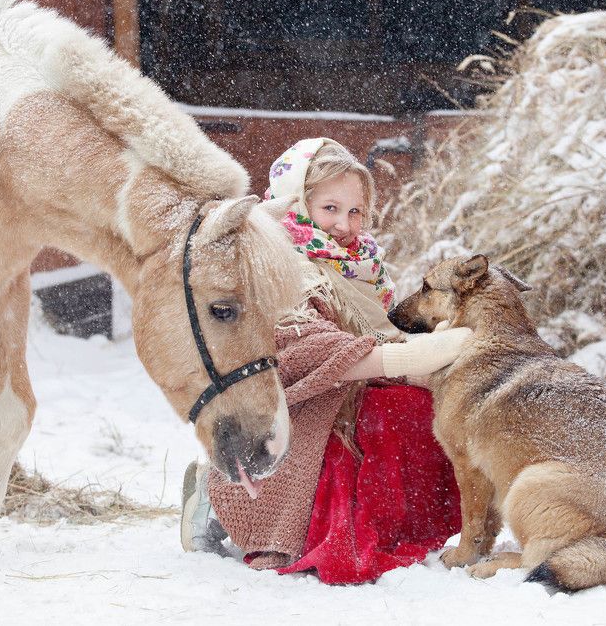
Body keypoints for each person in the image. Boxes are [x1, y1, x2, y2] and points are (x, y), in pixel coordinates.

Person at [181, 138, 469, 584]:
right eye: (330, 208)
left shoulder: (363, 266)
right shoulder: (272, 261)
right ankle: (222, 490)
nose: (343, 225)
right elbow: (308, 351)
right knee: (390, 412)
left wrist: (439, 347)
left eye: (355, 212)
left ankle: (400, 531)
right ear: (296, 202)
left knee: (429, 406)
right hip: (296, 404)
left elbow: (384, 337)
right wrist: (420, 355)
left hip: (354, 387)